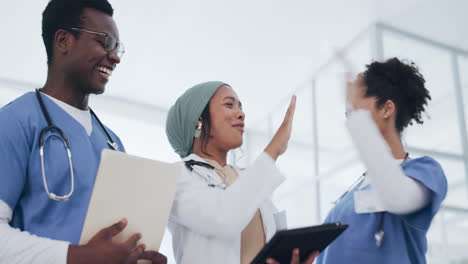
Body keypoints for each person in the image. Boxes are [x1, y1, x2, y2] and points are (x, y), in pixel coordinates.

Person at [0, 0, 166, 263]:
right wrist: (77, 256)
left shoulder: (113, 143)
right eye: (104, 43)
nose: (115, 57)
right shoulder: (15, 122)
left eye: (117, 47)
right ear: (64, 41)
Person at [165, 81, 318, 264]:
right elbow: (223, 218)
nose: (241, 113)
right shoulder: (176, 176)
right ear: (199, 119)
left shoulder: (247, 178)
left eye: (240, 107)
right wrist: (275, 147)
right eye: (229, 105)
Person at [316, 58, 448, 264]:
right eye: (348, 113)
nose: (351, 121)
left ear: (387, 109)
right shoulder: (352, 194)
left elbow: (397, 195)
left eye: (356, 110)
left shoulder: (425, 172)